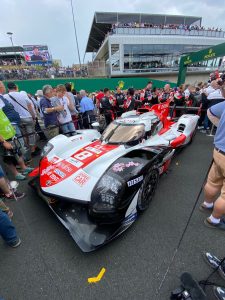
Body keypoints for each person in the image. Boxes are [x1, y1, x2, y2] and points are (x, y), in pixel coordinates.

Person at [200, 84, 225, 230]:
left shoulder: (223, 104)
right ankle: (214, 219)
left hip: (218, 150)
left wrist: (220, 126)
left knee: (213, 181)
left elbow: (210, 112)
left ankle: (207, 204)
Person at [4, 82, 37, 155]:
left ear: (8, 88)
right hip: (27, 117)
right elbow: (30, 106)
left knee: (23, 135)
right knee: (31, 134)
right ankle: (32, 150)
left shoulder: (5, 97)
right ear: (16, 87)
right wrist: (33, 116)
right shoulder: (22, 95)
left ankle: (26, 149)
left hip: (17, 119)